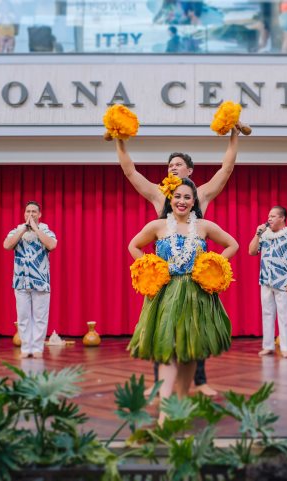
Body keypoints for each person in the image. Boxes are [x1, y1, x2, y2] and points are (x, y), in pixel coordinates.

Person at [116, 126, 239, 396]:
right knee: (162, 332)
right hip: (167, 277)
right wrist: (119, 141)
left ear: (190, 171)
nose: (173, 167)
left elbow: (226, 169)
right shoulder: (159, 195)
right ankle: (161, 385)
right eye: (170, 164)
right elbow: (130, 172)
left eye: (178, 164)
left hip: (194, 279)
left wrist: (234, 136)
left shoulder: (201, 195)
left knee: (196, 333)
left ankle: (199, 382)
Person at [127, 178, 238, 420]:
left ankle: (181, 403)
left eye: (187, 197)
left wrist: (213, 266)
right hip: (166, 293)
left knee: (190, 350)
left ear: (194, 201)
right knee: (168, 349)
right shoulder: (157, 226)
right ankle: (166, 410)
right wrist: (151, 268)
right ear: (170, 199)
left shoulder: (204, 226)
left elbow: (232, 245)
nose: (182, 201)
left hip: (196, 295)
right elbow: (133, 246)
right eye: (177, 196)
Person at [3, 201, 57, 359]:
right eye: (28, 211)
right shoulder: (16, 231)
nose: (31, 214)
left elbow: (52, 245)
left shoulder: (46, 231)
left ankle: (38, 349)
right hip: (21, 282)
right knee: (23, 318)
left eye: (34, 212)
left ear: (39, 215)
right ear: (24, 214)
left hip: (41, 282)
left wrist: (35, 229)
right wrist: (23, 230)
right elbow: (7, 245)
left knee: (40, 318)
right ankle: (26, 349)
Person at [248, 206, 287, 359]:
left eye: (273, 216)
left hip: (283, 282)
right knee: (267, 314)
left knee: (284, 315)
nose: (269, 219)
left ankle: (286, 348)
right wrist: (257, 234)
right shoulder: (265, 235)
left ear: (282, 218)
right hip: (266, 280)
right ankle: (268, 346)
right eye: (268, 216)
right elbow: (252, 251)